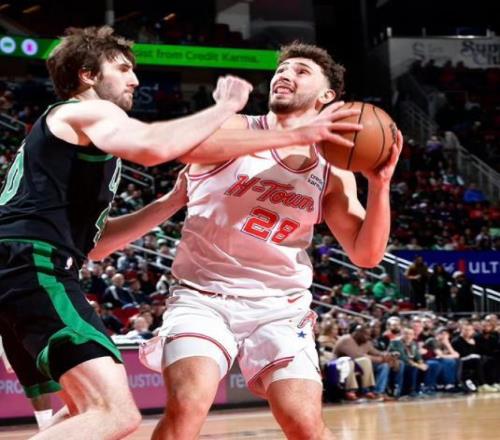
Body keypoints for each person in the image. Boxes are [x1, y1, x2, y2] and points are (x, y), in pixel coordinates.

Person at [0, 27, 350, 440]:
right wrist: (232, 110)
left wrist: (170, 201)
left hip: (28, 266)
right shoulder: (90, 112)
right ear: (87, 75)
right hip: (34, 265)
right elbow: (153, 147)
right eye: (123, 69)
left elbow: (97, 245)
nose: (135, 80)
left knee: (87, 410)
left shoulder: (77, 138)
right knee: (116, 415)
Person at [140, 41, 403, 439]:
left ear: (327, 96)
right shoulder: (236, 128)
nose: (285, 75)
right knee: (189, 404)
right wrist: (291, 134)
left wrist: (380, 186)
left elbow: (366, 255)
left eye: (301, 71)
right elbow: (189, 148)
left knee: (304, 424)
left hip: (280, 306)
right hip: (204, 297)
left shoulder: (333, 170)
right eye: (282, 69)